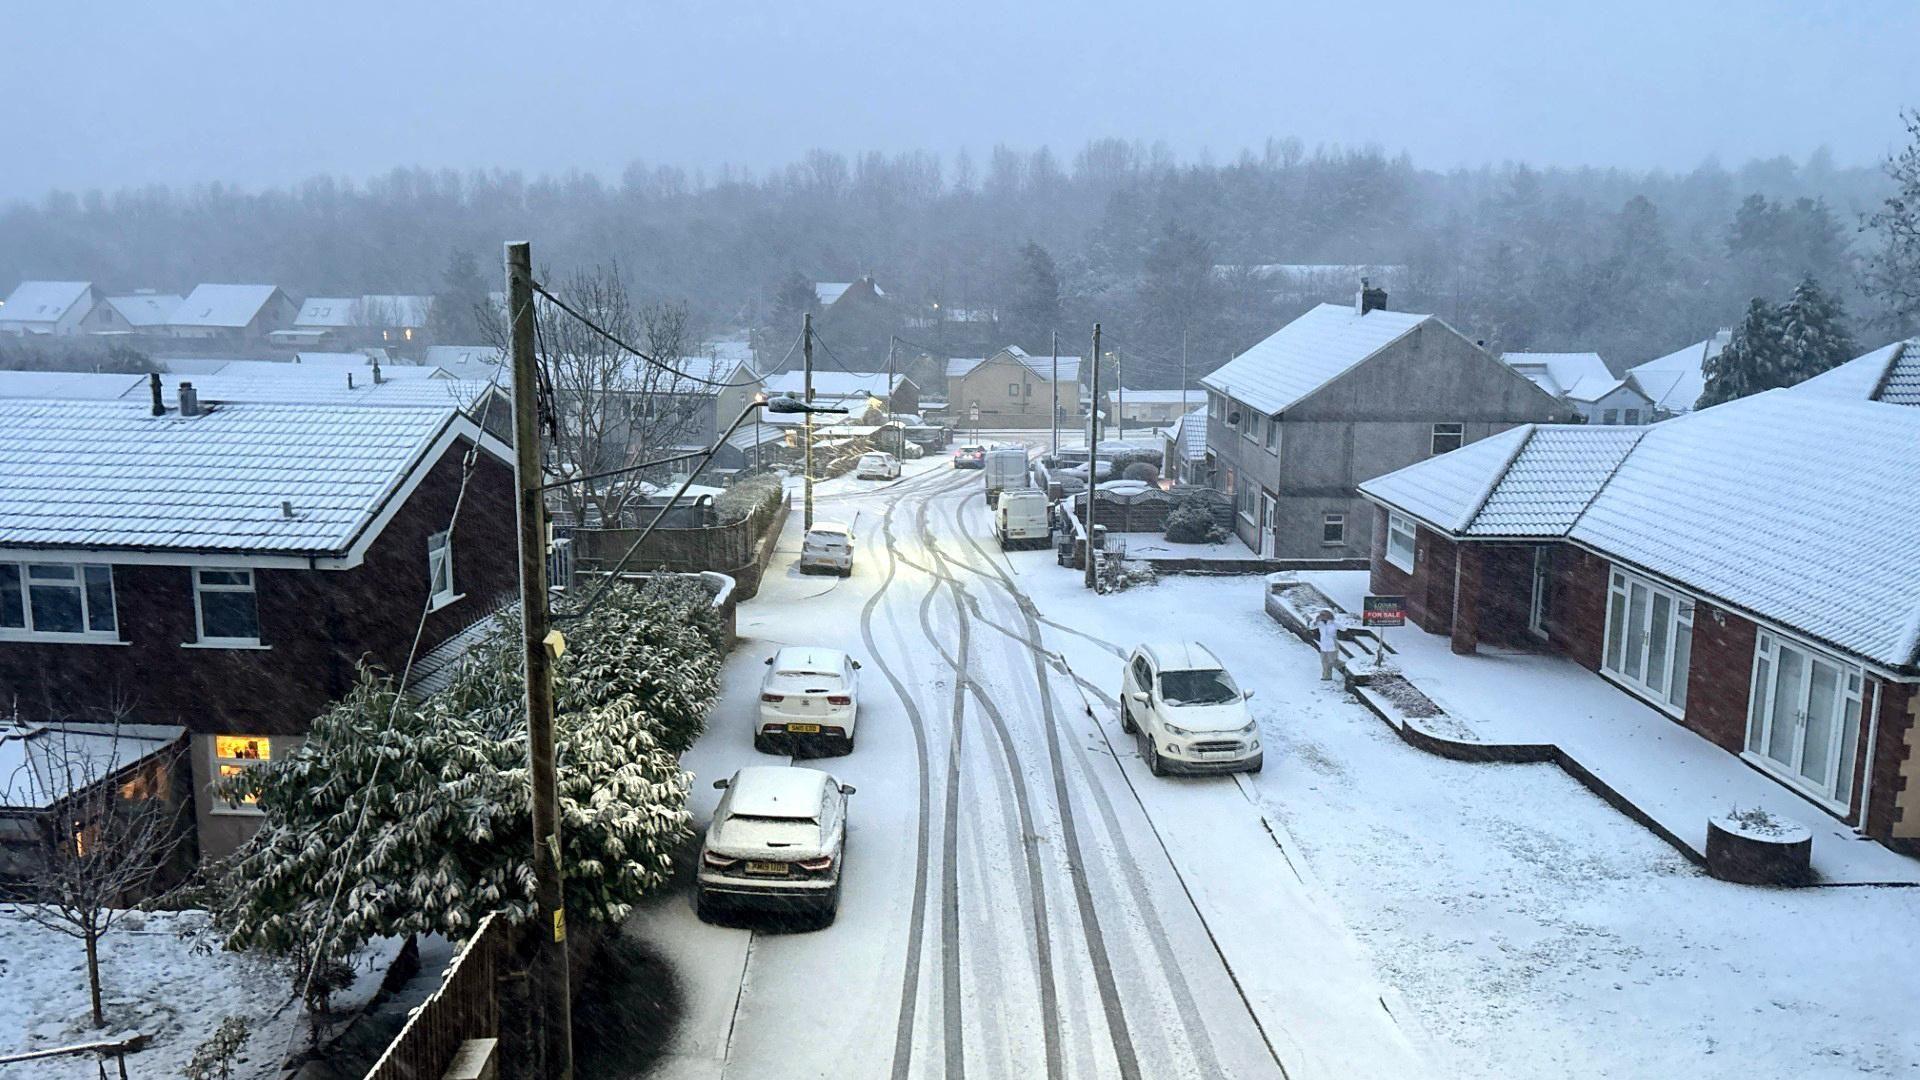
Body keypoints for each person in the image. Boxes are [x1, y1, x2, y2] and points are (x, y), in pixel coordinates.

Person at [1314, 608, 1340, 681]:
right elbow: (1311, 627)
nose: (1322, 616)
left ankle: (1345, 666)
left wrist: (1335, 623)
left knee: (1333, 661)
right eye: (1321, 614)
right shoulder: (1320, 623)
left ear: (1329, 615)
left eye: (1324, 614)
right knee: (1324, 661)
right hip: (1323, 645)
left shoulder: (1333, 623)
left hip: (1332, 644)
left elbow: (1344, 628)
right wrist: (1316, 621)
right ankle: (1326, 676)